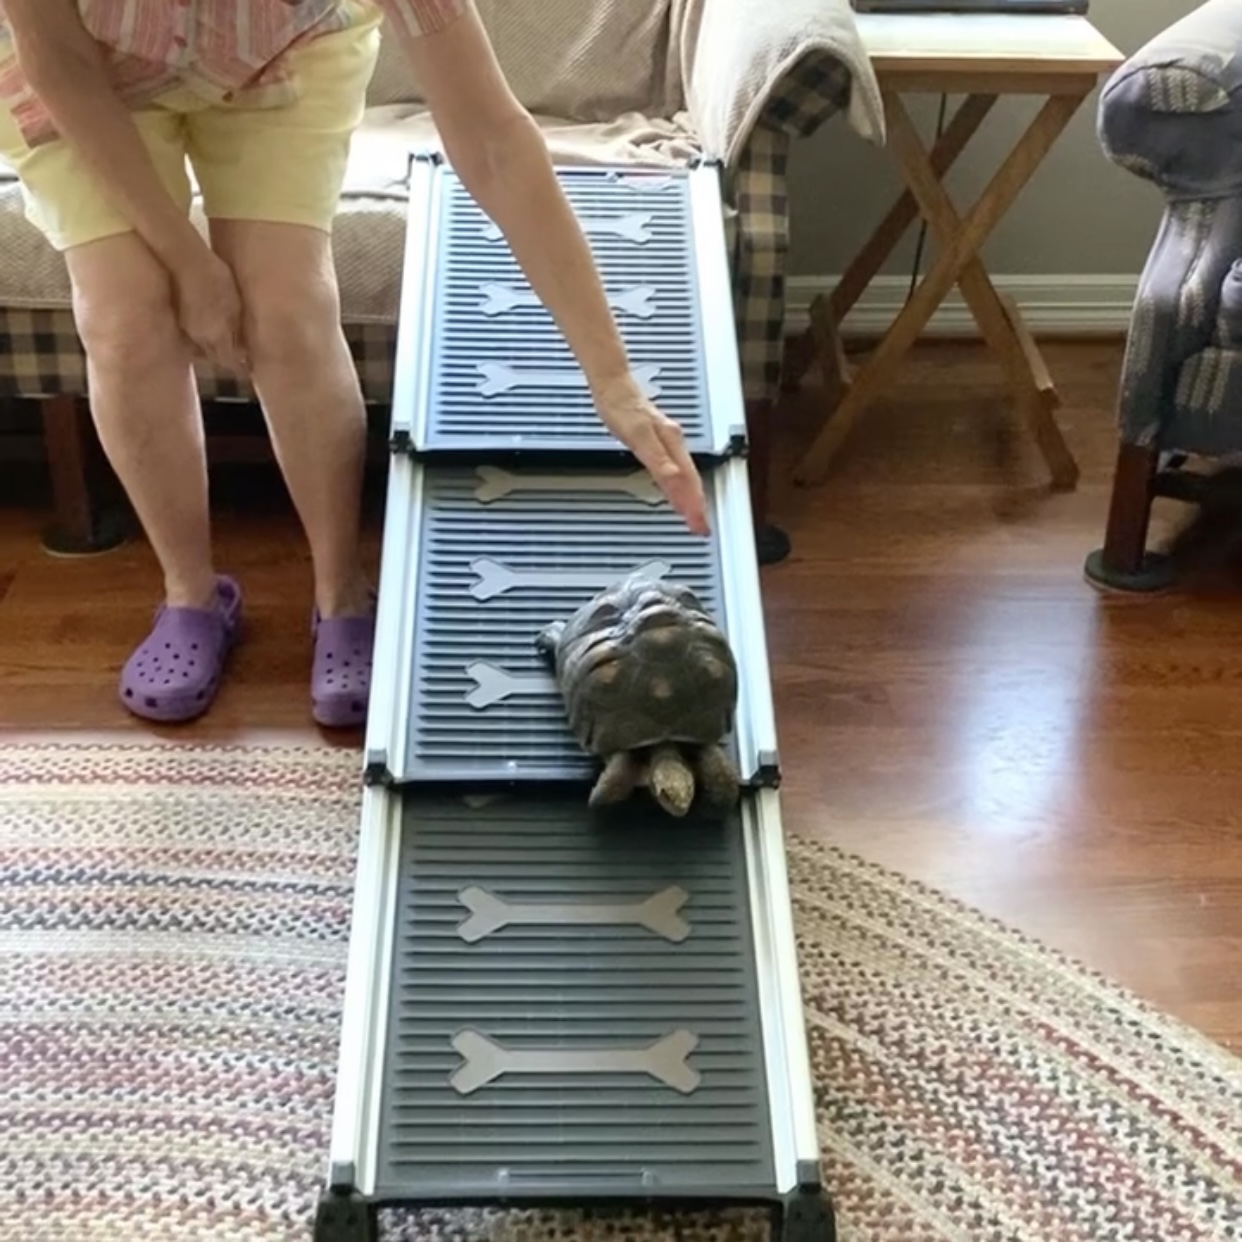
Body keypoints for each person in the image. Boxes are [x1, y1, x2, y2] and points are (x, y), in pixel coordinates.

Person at [0, 0, 710, 728]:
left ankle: (341, 592)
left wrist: (611, 375)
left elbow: (494, 140)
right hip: (88, 69)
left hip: (278, 56)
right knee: (123, 315)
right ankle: (190, 593)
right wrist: (187, 260)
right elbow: (58, 59)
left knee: (287, 309)